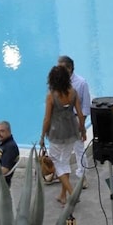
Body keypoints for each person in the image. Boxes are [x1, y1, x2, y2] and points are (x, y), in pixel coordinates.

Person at [40, 65, 86, 206]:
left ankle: (72, 193)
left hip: (57, 133)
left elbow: (47, 119)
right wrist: (83, 130)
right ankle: (63, 195)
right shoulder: (73, 92)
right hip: (72, 130)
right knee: (64, 161)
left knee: (56, 162)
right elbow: (80, 114)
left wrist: (42, 136)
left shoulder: (51, 96)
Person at [57, 55, 91, 188]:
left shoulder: (81, 83)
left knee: (79, 149)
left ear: (69, 68)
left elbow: (86, 106)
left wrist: (81, 124)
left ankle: (83, 176)